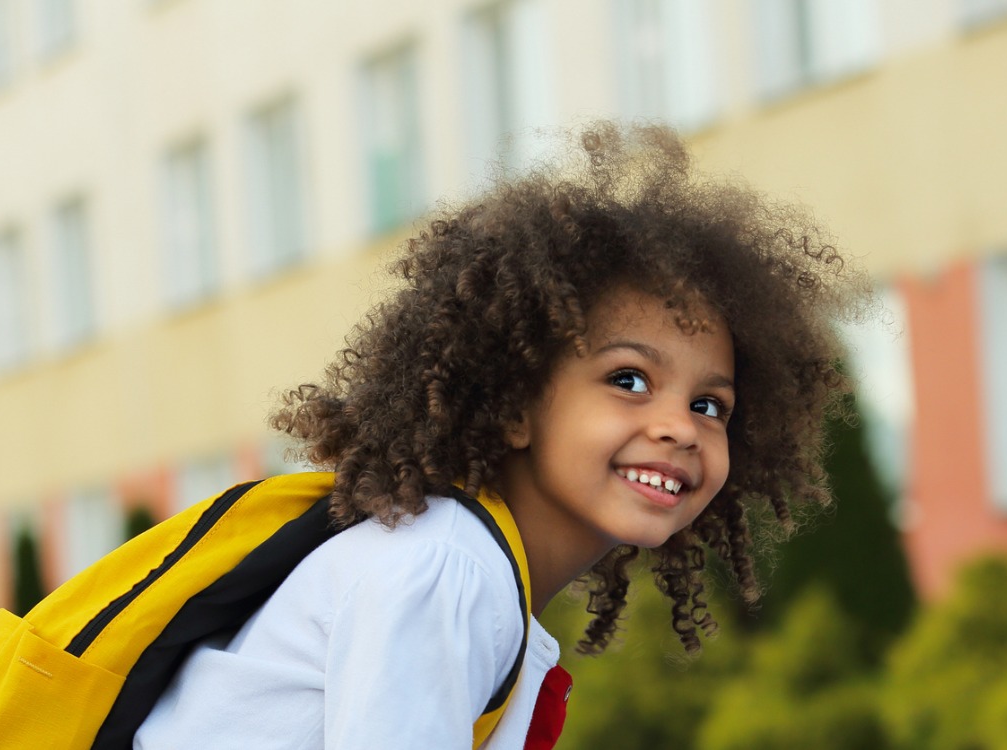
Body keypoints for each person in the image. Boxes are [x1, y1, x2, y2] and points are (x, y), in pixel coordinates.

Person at [132, 122, 860, 749]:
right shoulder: (445, 572)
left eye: (711, 405)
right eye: (629, 380)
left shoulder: (468, 569)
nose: (679, 427)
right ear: (515, 403)